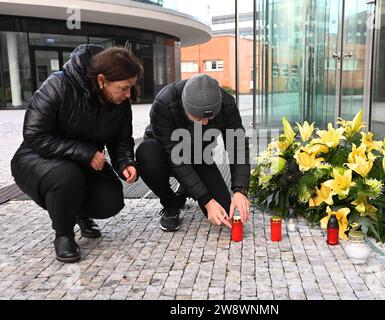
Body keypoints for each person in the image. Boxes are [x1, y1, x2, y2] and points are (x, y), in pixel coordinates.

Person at [10, 44, 142, 263]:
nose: (128, 94)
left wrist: (125, 162)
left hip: (81, 162)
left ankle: (81, 214)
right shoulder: (58, 85)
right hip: (36, 159)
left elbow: (121, 142)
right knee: (67, 176)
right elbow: (35, 135)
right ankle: (64, 234)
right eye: (123, 88)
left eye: (131, 87)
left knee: (110, 199)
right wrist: (85, 152)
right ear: (102, 80)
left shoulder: (120, 103)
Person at [136, 74, 250, 232]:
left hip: (198, 154)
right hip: (164, 153)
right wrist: (207, 201)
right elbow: (176, 159)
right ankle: (170, 203)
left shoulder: (227, 104)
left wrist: (240, 190)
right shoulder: (164, 102)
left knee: (223, 207)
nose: (205, 123)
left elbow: (237, 145)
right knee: (147, 154)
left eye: (210, 117)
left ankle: (186, 188)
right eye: (198, 117)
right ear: (185, 107)